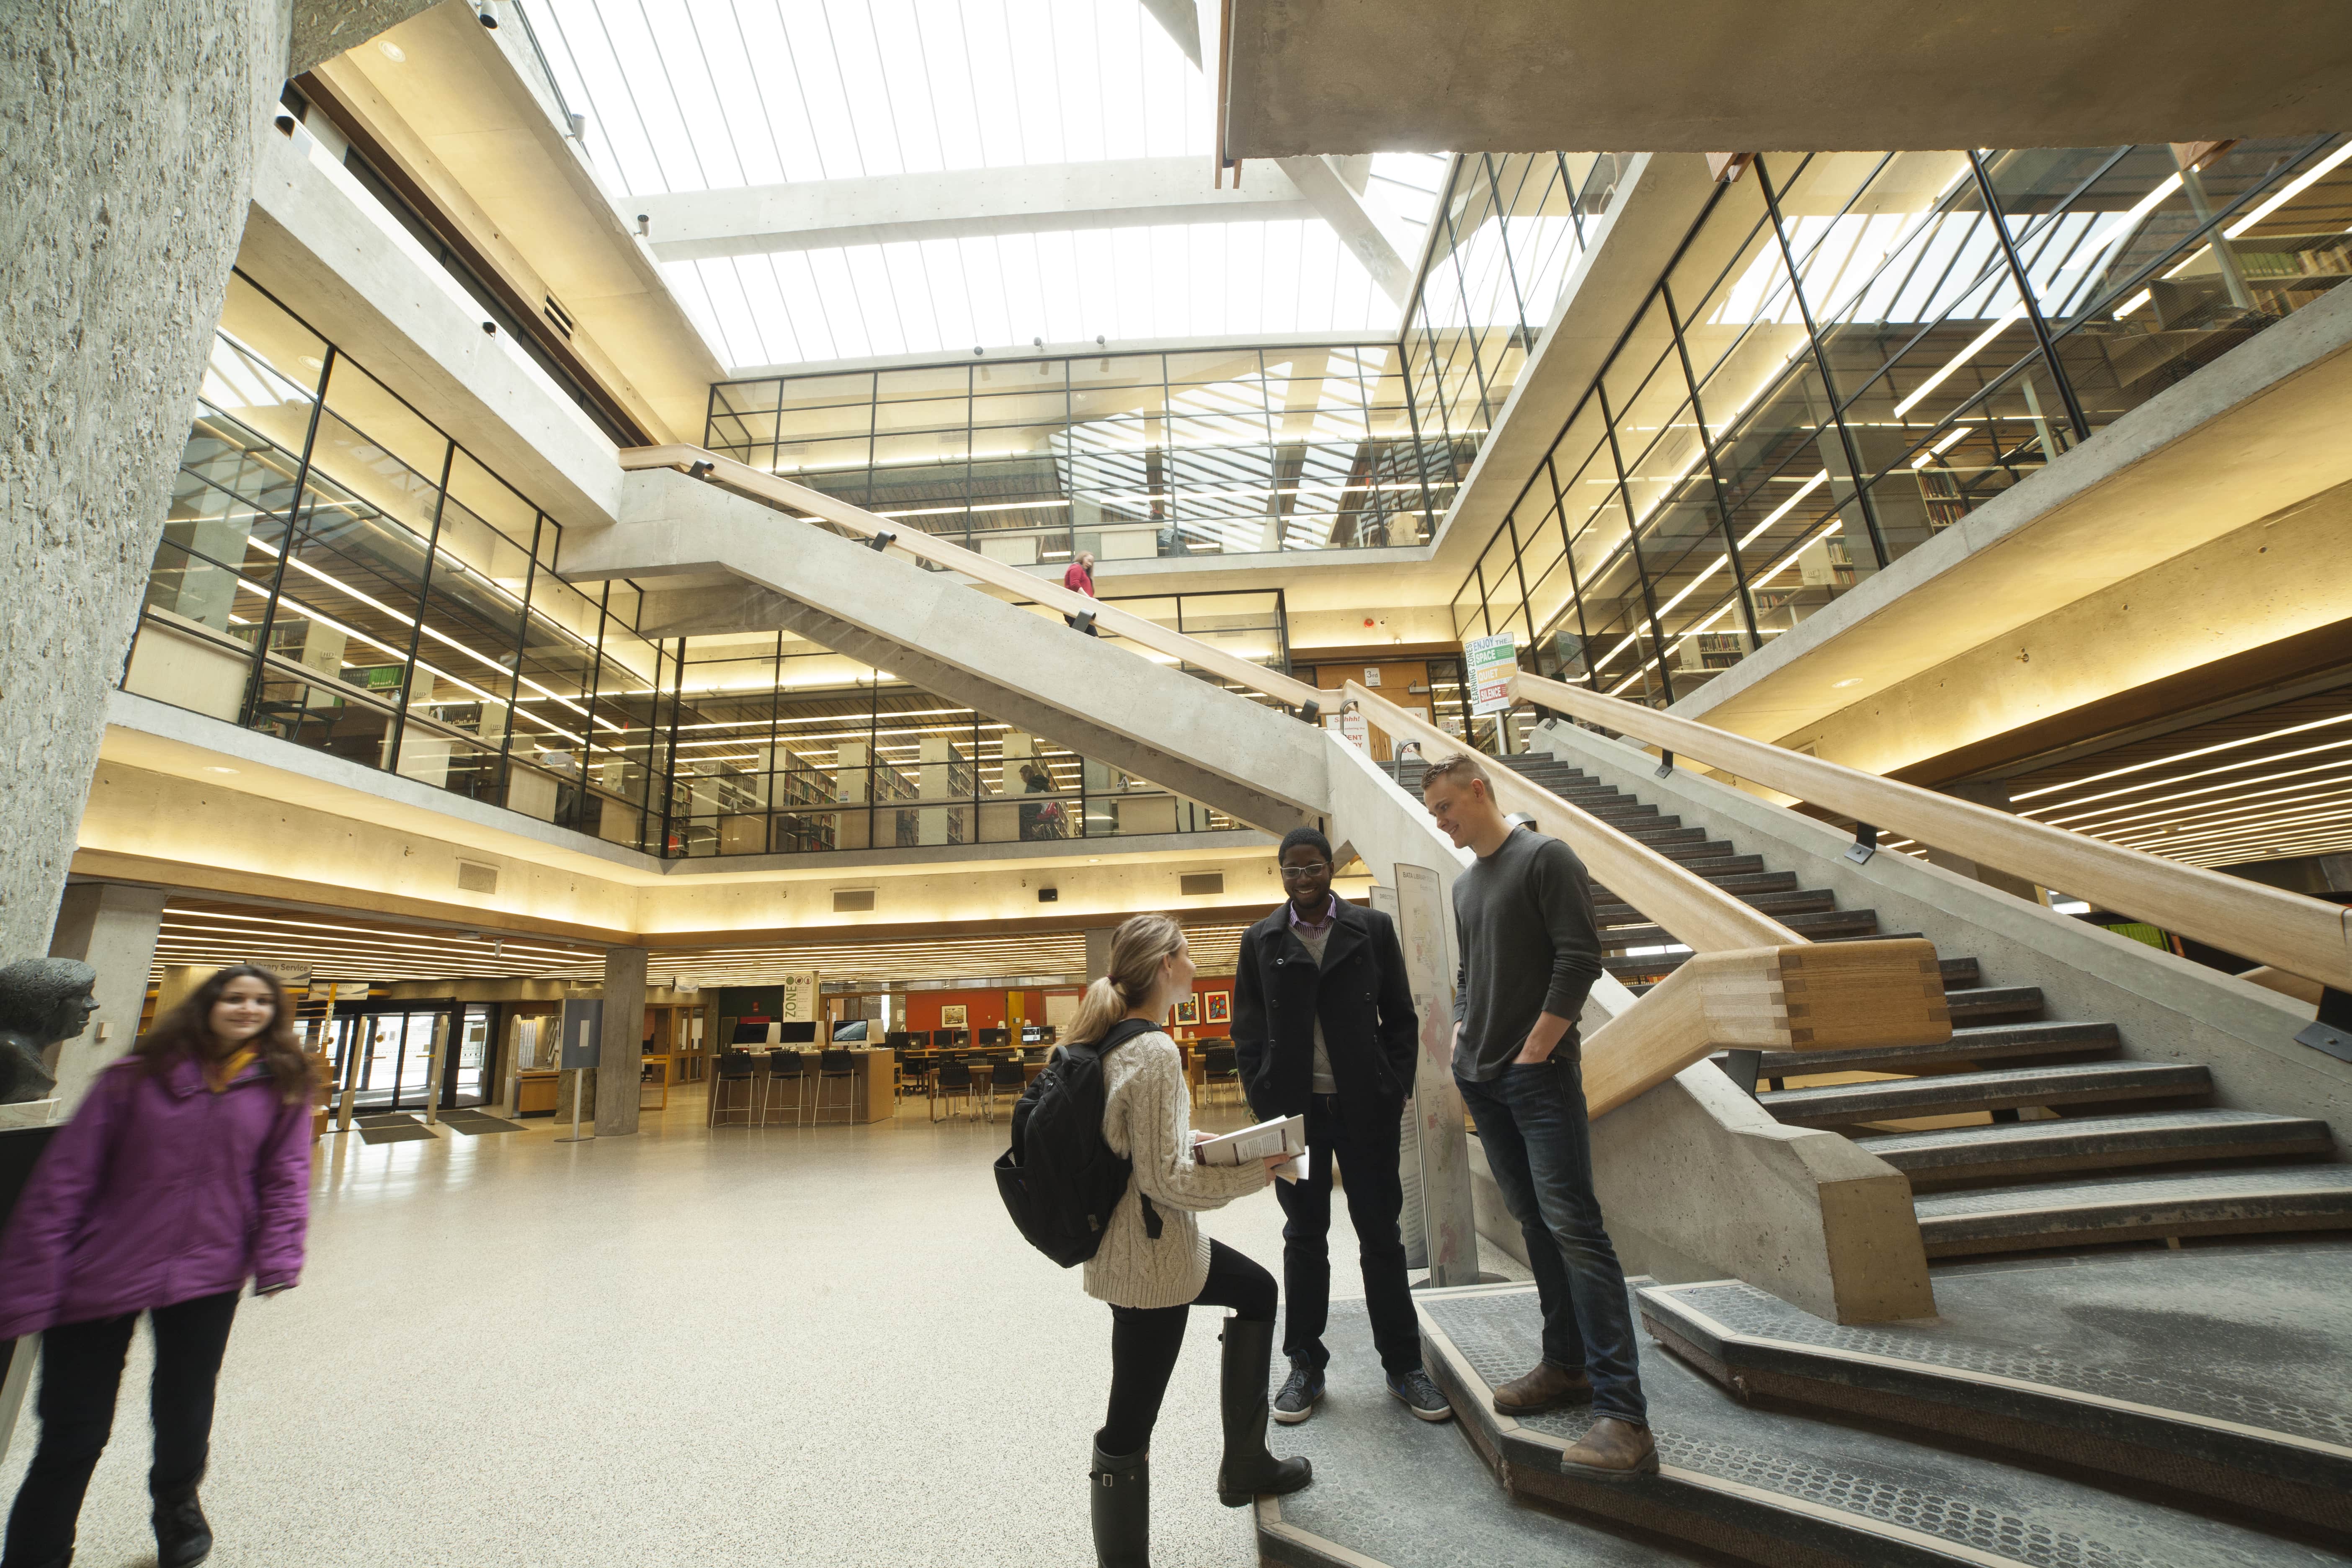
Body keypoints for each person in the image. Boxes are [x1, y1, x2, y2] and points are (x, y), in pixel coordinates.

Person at [0, 965, 321, 1568]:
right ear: (205, 1006)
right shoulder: (131, 1080)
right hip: (102, 1271)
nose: (247, 1009)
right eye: (234, 997)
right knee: (73, 1431)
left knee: (186, 1404)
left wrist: (278, 1255)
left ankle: (176, 1502)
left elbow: (285, 1178)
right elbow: (63, 1183)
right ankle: (38, 1552)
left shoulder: (281, 1086)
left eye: (261, 1001)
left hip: (208, 1269)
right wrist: (28, 1283)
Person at [1420, 752, 1655, 1477]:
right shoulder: (1465, 885)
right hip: (1484, 1081)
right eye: (1433, 812)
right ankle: (1566, 1366)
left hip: (1538, 1078)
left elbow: (1580, 957)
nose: (1442, 820)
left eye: (1446, 806)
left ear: (1479, 790)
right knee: (1535, 1225)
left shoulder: (1544, 857)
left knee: (1577, 1230)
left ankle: (1625, 1415)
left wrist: (1537, 1047)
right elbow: (1469, 975)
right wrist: (1463, 1032)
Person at [1079, 913, 1308, 1567]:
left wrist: (1201, 1141)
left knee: (1258, 1290)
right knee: (1131, 1418)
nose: (1194, 962)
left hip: (1142, 1248)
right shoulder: (1153, 1050)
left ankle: (1247, 1464)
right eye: (1185, 954)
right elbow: (1167, 1182)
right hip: (1152, 1261)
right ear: (1163, 968)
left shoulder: (1120, 1040)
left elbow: (1140, 1150)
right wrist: (1251, 1170)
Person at [1231, 827, 1450, 1426]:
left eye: (1313, 868)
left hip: (1364, 1110)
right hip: (1292, 1118)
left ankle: (1404, 1366)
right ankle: (1305, 1364)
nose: (1303, 879)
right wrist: (1263, 1096)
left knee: (1382, 1237)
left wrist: (1393, 1086)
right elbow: (1246, 1032)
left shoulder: (1371, 930)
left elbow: (1401, 1019)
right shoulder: (1261, 939)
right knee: (1304, 1238)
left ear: (1331, 868)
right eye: (1291, 871)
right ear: (1281, 875)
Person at [1063, 550, 1100, 635]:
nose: (1090, 564)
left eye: (1092, 562)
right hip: (1078, 607)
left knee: (1086, 635)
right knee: (1087, 635)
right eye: (1089, 561)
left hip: (1083, 609)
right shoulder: (1076, 567)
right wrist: (1089, 598)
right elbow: (1075, 585)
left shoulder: (1083, 572)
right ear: (1082, 558)